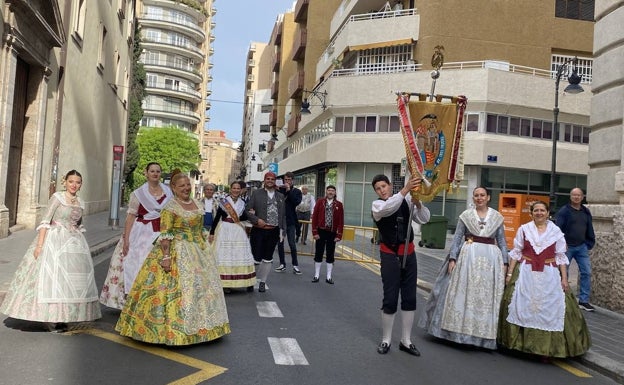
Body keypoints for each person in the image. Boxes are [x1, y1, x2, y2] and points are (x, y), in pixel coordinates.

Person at [115, 170, 230, 345]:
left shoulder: (197, 204)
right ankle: (170, 331)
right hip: (176, 250)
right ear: (174, 188)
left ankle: (203, 327)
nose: (186, 188)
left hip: (198, 251)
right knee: (170, 292)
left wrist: (206, 249)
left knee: (200, 290)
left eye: (188, 185)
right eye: (182, 185)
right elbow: (166, 234)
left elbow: (200, 231)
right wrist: (166, 257)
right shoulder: (170, 207)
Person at [0, 170, 100, 332]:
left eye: (78, 182)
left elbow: (78, 223)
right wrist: (39, 246)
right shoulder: (57, 198)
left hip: (74, 243)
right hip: (54, 241)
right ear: (65, 182)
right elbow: (45, 221)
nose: (74, 185)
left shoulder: (80, 202)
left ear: (81, 185)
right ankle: (52, 317)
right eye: (71, 181)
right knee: (53, 279)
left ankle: (66, 316)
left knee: (71, 282)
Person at [497, 201, 591, 358]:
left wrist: (565, 279)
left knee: (553, 306)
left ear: (548, 213)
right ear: (531, 213)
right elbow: (516, 252)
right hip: (526, 272)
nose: (539, 213)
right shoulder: (524, 229)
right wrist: (509, 274)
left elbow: (561, 257)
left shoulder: (556, 232)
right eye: (536, 210)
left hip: (549, 273)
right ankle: (519, 344)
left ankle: (548, 349)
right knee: (520, 305)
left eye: (542, 210)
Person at [419, 187, 508, 349]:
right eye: (476, 196)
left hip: (490, 263)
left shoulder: (497, 217)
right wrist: (452, 258)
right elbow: (458, 237)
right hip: (467, 259)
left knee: (483, 298)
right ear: (473, 198)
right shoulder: (466, 216)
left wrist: (505, 262)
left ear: (488, 197)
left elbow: (502, 241)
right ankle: (455, 332)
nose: (479, 198)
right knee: (463, 293)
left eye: (482, 195)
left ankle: (480, 337)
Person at [371, 175, 430, 356]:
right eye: (378, 188)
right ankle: (386, 339)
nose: (382, 190)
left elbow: (424, 218)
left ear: (389, 185)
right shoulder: (377, 205)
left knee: (410, 297)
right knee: (390, 298)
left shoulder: (406, 199)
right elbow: (390, 208)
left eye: (384, 186)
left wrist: (418, 204)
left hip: (409, 253)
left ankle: (406, 340)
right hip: (390, 254)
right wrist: (404, 191)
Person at [100, 162, 172, 309]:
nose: (155, 174)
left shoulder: (168, 192)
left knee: (157, 265)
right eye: (152, 171)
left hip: (161, 232)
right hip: (141, 232)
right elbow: (130, 217)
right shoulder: (138, 194)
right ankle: (133, 300)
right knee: (136, 264)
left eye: (158, 171)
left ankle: (155, 301)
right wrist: (126, 239)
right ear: (146, 173)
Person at [209, 181, 256, 292]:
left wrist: (252, 214)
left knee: (241, 254)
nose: (235, 190)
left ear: (241, 190)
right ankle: (225, 283)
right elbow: (217, 217)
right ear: (230, 189)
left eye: (238, 188)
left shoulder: (242, 202)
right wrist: (212, 232)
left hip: (238, 230)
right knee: (225, 255)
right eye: (234, 188)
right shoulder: (224, 201)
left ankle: (247, 280)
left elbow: (243, 217)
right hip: (225, 229)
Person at [555, 187, 596, 312]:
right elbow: (557, 229)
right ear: (570, 196)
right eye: (574, 195)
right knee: (563, 273)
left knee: (586, 272)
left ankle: (583, 301)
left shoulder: (586, 211)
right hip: (567, 247)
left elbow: (589, 227)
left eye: (578, 195)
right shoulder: (564, 211)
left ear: (582, 197)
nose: (576, 197)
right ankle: (564, 298)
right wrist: (562, 243)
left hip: (582, 246)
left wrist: (589, 242)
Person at [246, 172, 286, 293]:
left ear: (275, 181)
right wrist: (257, 220)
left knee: (268, 258)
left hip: (273, 231)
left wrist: (282, 231)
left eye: (272, 179)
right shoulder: (256, 194)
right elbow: (247, 210)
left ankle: (263, 281)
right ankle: (251, 280)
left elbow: (283, 215)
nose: (270, 181)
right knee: (256, 258)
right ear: (264, 180)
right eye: (268, 179)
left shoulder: (280, 196)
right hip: (259, 230)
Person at [311, 185, 344, 284]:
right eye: (329, 190)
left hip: (332, 232)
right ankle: (316, 275)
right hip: (321, 231)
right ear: (326, 192)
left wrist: (339, 235)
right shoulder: (320, 202)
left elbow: (341, 221)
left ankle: (328, 276)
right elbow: (314, 217)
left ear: (335, 192)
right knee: (319, 253)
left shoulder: (339, 204)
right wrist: (314, 232)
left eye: (332, 191)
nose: (330, 192)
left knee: (330, 254)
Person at [275, 172, 303, 275]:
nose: (287, 182)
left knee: (292, 244)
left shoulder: (296, 191)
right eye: (286, 180)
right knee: (280, 243)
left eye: (289, 180)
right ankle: (282, 264)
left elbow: (296, 202)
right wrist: (278, 189)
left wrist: (288, 190)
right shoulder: (279, 189)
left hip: (291, 221)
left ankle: (295, 265)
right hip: (280, 221)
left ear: (293, 180)